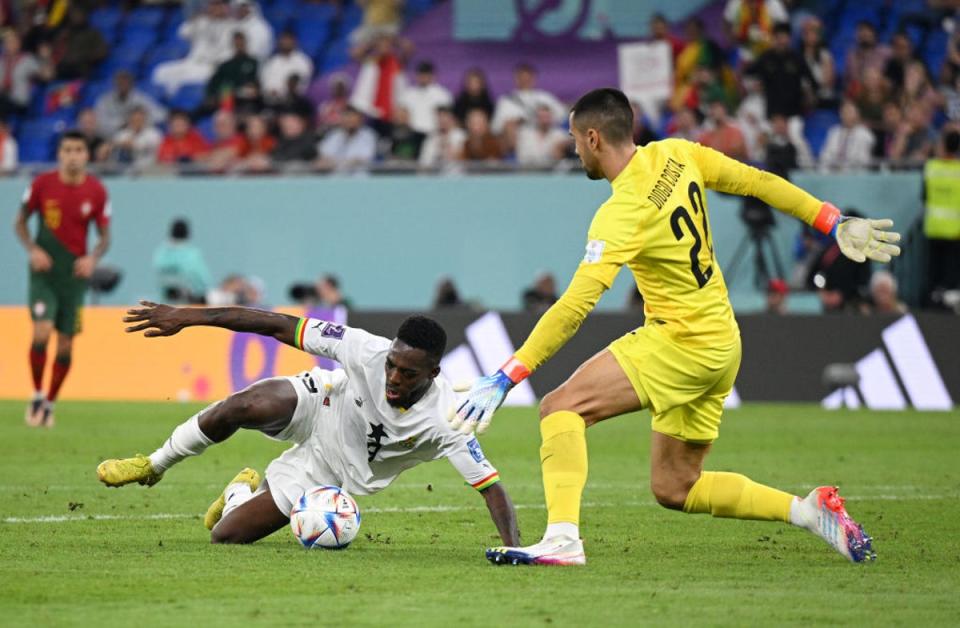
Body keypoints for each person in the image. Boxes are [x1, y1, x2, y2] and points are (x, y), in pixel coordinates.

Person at [453, 88, 900, 566]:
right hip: (723, 344)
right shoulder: (678, 154)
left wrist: (508, 374)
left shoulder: (621, 212)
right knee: (675, 486)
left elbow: (575, 305)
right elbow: (756, 181)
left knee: (560, 407)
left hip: (679, 341)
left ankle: (563, 538)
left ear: (593, 137)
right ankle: (809, 512)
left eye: (575, 140)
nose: (574, 150)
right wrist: (830, 220)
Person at [97, 303, 519, 549]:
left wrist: (516, 550)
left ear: (433, 372)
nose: (393, 377)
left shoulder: (448, 420)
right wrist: (188, 316)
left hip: (330, 472)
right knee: (241, 406)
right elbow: (278, 324)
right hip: (321, 404)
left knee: (226, 538)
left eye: (408, 374)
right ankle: (153, 464)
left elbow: (491, 489)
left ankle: (236, 495)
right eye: (392, 365)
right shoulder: (364, 349)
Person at [13, 131, 111, 428]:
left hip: (73, 276)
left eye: (78, 149)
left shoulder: (96, 191)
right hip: (45, 272)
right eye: (67, 149)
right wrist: (33, 249)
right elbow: (20, 222)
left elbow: (105, 236)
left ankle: (50, 404)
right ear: (60, 154)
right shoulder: (42, 184)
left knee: (66, 345)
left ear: (86, 155)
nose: (72, 155)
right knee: (41, 333)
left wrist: (92, 258)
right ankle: (37, 393)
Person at [152, 0, 236, 97]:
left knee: (186, 76)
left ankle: (175, 97)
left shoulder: (233, 26)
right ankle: (169, 98)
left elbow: (230, 54)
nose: (214, 8)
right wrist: (195, 19)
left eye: (218, 5)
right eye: (212, 5)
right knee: (159, 72)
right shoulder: (202, 21)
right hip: (191, 63)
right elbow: (182, 32)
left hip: (211, 67)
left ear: (226, 7)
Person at [153, 218, 212, 303]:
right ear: (187, 233)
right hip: (188, 302)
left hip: (166, 302)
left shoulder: (161, 253)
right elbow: (202, 279)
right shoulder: (191, 254)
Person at [94, 70, 167, 137]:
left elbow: (160, 115)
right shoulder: (105, 100)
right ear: (115, 84)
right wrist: (121, 124)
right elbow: (99, 122)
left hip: (137, 137)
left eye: (125, 82)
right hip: (110, 137)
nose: (122, 86)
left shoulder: (140, 98)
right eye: (120, 83)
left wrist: (139, 122)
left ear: (131, 84)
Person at [317, 105, 378, 172]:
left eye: (352, 117)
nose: (349, 120)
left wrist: (336, 162)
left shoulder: (368, 135)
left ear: (360, 119)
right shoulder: (334, 135)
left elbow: (361, 159)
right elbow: (324, 156)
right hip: (335, 178)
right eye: (347, 117)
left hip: (359, 178)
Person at [399, 61, 453, 135]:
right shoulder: (408, 94)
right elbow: (401, 115)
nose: (423, 77)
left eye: (426, 74)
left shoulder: (443, 95)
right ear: (416, 75)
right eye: (421, 74)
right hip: (411, 133)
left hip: (433, 134)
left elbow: (447, 119)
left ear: (432, 75)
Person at [819, 100, 875, 172]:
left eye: (849, 112)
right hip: (832, 175)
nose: (846, 115)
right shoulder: (833, 132)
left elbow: (863, 162)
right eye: (843, 112)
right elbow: (825, 156)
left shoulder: (865, 135)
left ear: (857, 114)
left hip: (855, 176)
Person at [260, 31, 313, 104]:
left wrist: (281, 93)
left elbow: (302, 86)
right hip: (270, 101)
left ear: (294, 42)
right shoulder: (272, 61)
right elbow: (264, 82)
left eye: (288, 40)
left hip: (292, 102)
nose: (285, 43)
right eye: (283, 40)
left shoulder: (303, 62)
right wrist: (270, 91)